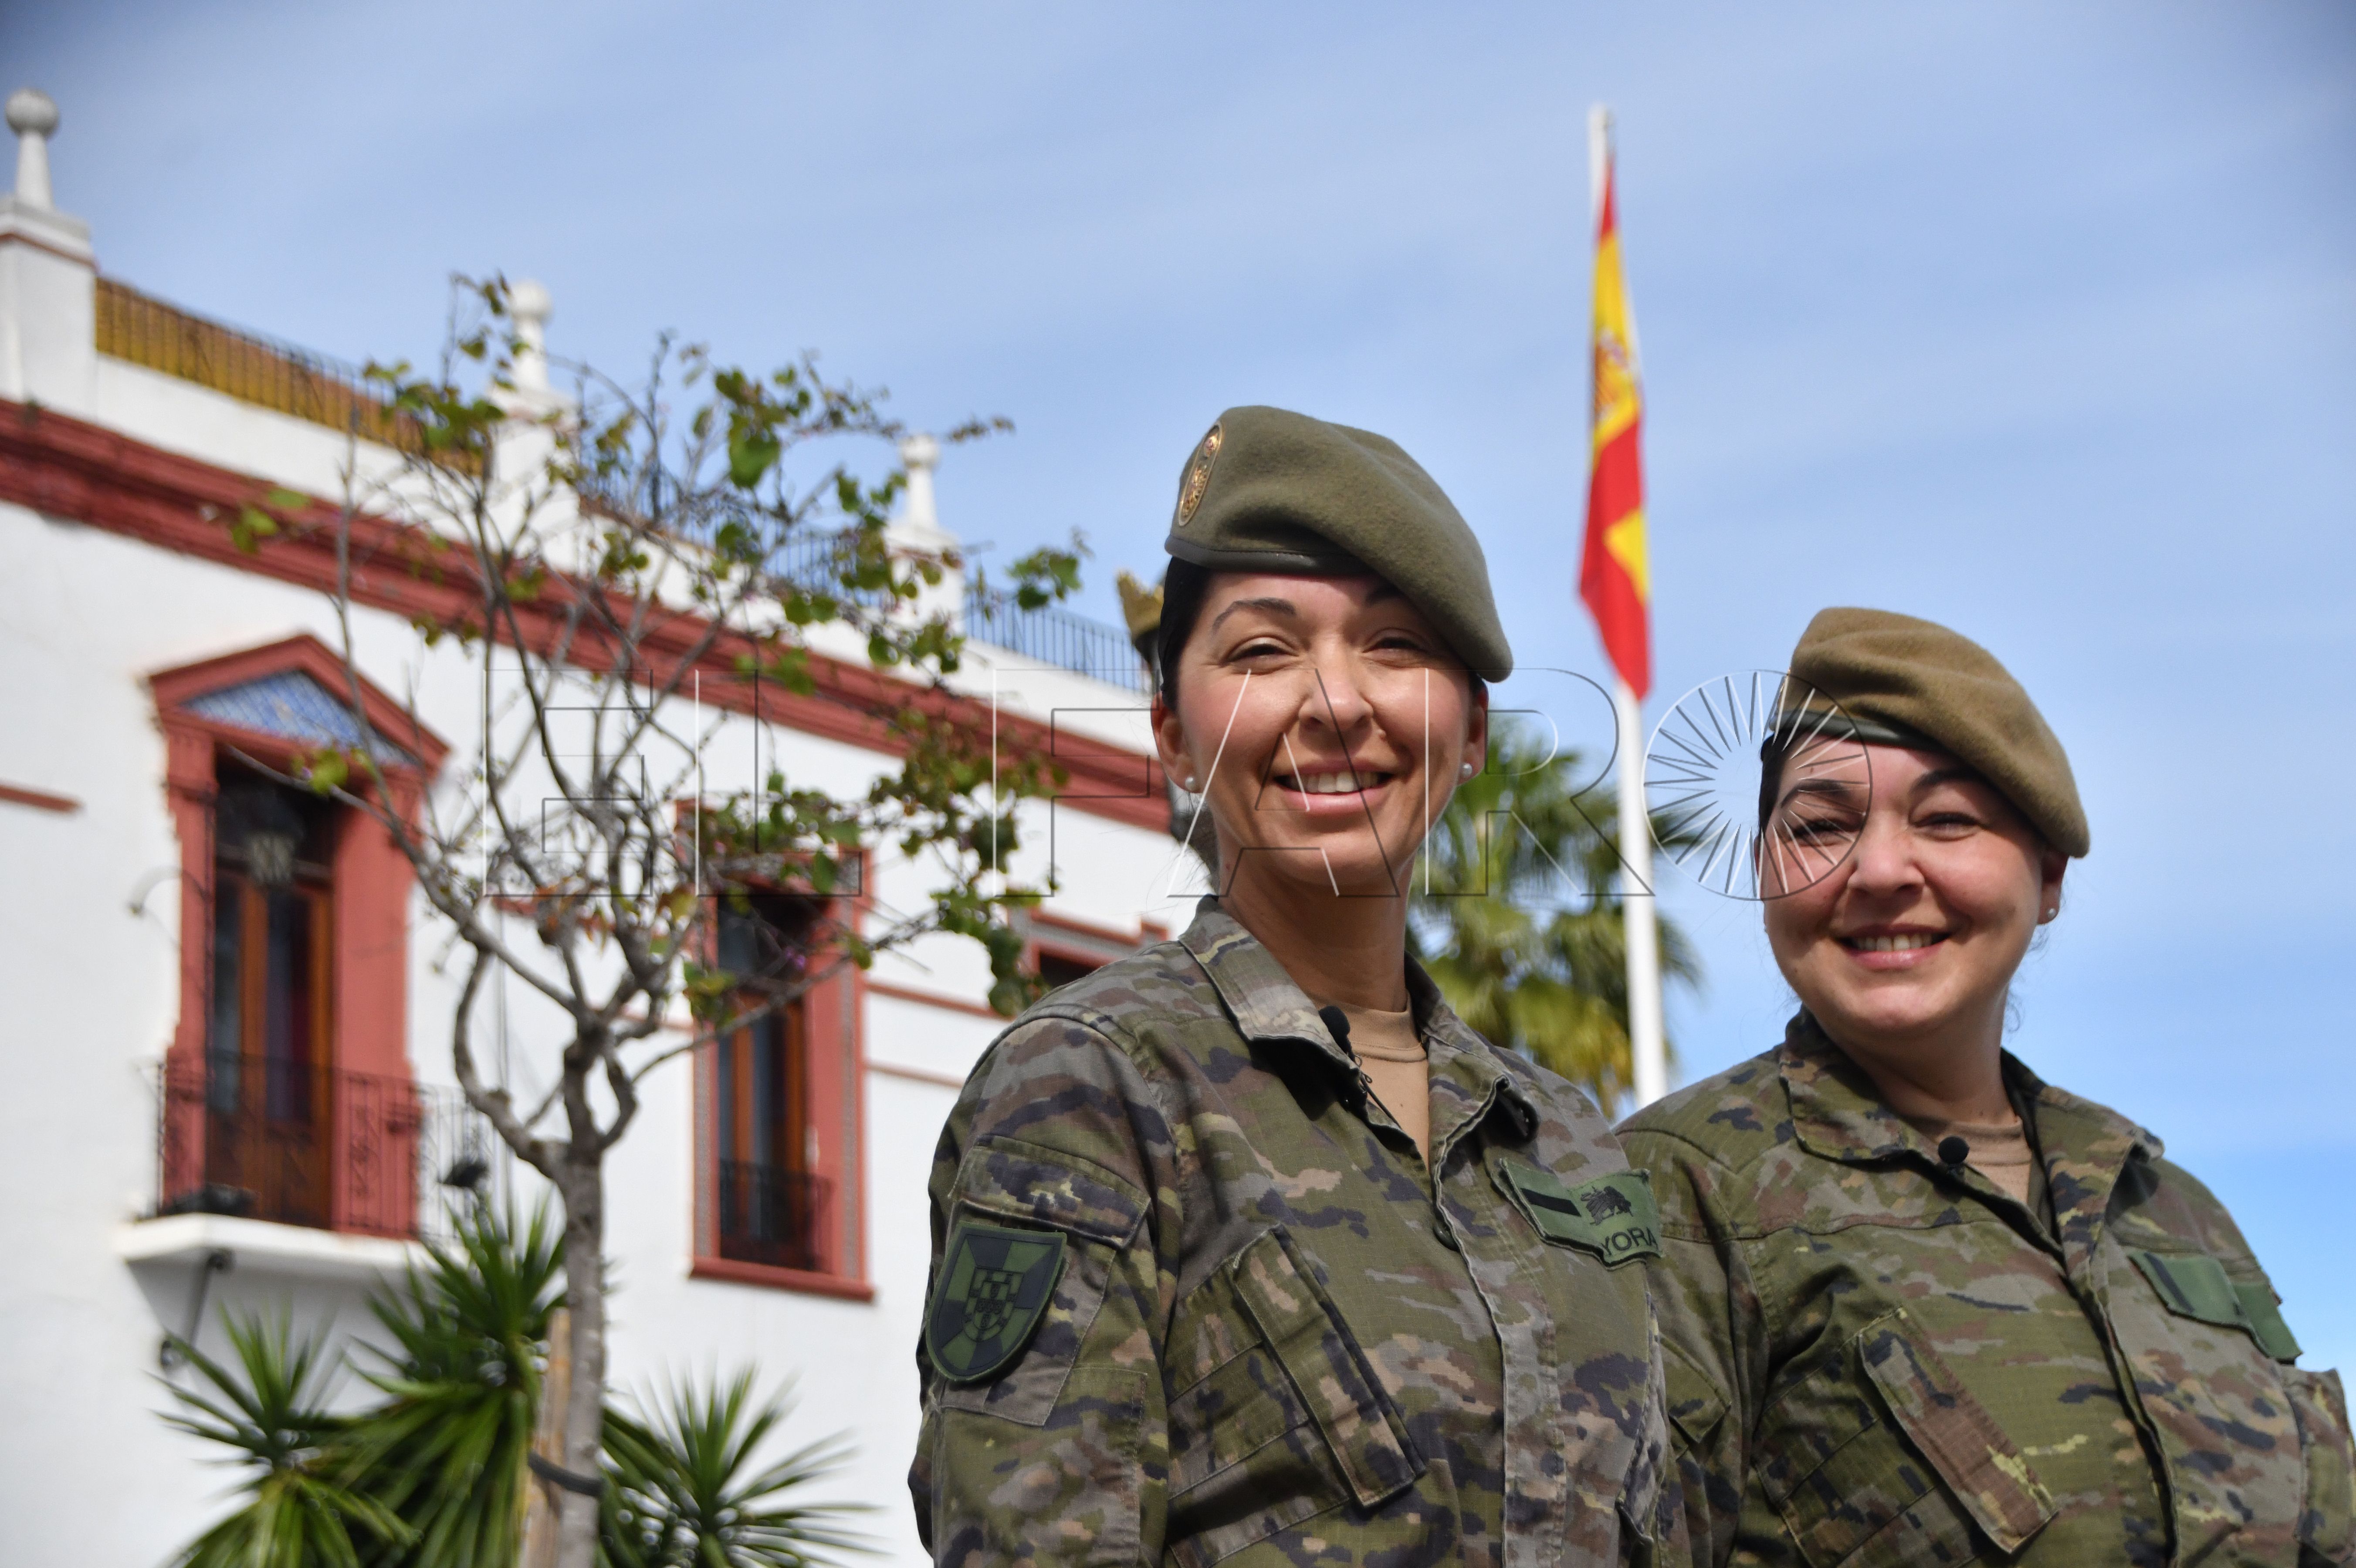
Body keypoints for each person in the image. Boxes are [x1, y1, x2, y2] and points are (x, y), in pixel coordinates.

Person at [910, 406, 1683, 1566]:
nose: (1335, 702)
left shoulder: (1564, 1139)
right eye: (1264, 652)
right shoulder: (1094, 1087)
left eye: (1395, 647)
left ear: (1469, 731)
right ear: (1174, 735)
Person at [1618, 607, 2356, 1568]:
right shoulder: (1676, 1192)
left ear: (2047, 874)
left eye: (1947, 821)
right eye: (1820, 826)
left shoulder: (2164, 1204)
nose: (1878, 869)